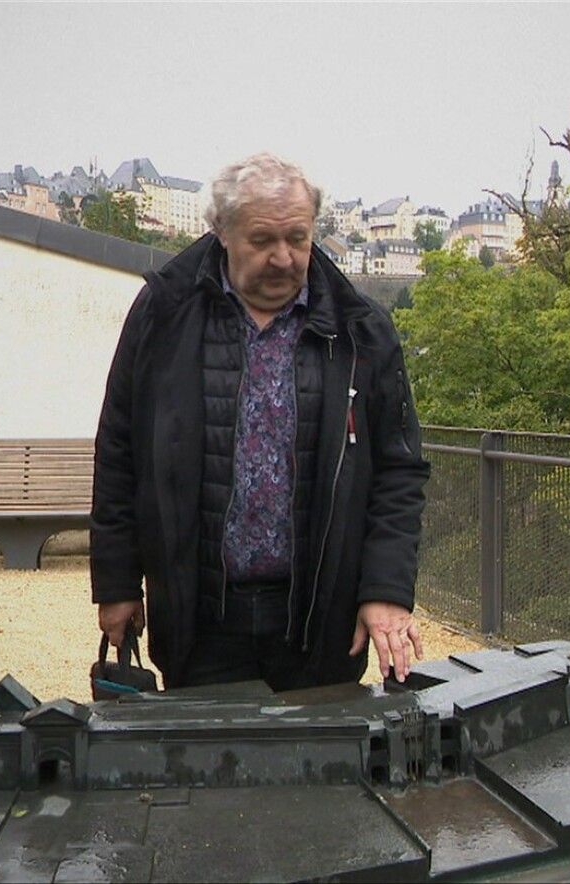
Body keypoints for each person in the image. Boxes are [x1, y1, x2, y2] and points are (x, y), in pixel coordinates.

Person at [90, 153, 430, 692]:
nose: (283, 257)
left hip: (322, 622)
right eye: (263, 240)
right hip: (200, 619)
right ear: (221, 231)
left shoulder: (361, 329)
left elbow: (398, 470)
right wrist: (117, 583)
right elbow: (118, 450)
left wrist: (385, 590)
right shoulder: (165, 312)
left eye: (297, 238)